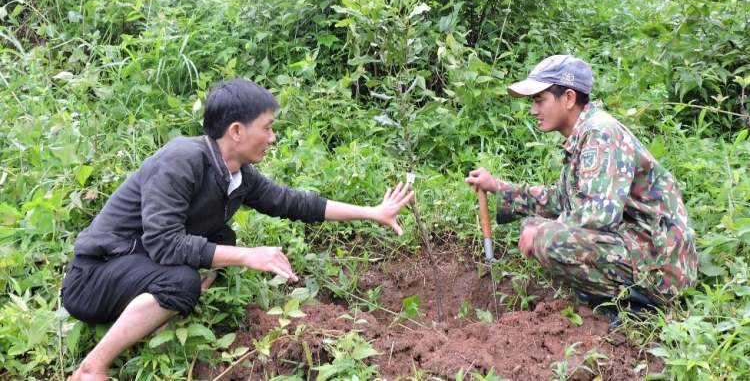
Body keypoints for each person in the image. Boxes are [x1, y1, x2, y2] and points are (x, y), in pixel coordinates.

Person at [63, 78, 414, 381]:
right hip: (93, 278)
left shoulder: (237, 175)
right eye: (267, 127)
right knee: (184, 279)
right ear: (236, 130)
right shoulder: (180, 160)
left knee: (220, 241)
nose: (273, 137)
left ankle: (156, 325)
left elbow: (293, 203)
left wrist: (372, 213)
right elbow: (164, 243)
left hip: (134, 268)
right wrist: (248, 256)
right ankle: (91, 367)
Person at [465, 55, 697, 316]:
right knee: (538, 228)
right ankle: (618, 300)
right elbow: (560, 199)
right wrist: (498, 186)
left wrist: (543, 232)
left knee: (547, 238)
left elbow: (599, 214)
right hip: (641, 249)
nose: (533, 110)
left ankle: (639, 308)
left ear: (569, 98)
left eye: (539, 100)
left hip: (660, 264)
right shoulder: (585, 134)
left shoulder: (601, 134)